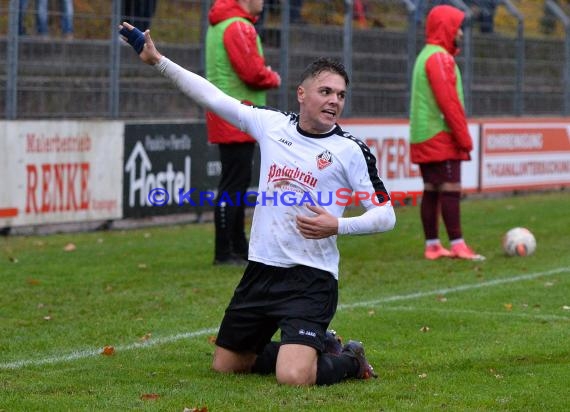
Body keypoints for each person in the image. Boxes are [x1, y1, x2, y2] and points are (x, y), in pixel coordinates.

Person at [119, 21, 396, 386]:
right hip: (262, 270)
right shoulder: (270, 125)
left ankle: (349, 360)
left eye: (341, 95)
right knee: (227, 366)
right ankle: (313, 346)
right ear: (301, 93)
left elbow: (386, 214)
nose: (334, 101)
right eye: (325, 91)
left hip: (310, 278)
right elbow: (212, 96)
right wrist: (158, 61)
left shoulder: (351, 150)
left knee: (294, 378)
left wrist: (338, 225)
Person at [206, 0, 281, 266]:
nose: (263, 2)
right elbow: (252, 73)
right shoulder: (237, 26)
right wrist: (272, 77)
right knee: (233, 184)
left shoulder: (222, 25)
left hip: (231, 113)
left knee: (236, 182)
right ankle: (225, 251)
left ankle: (238, 246)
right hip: (236, 114)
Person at [409, 5, 485, 261]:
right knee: (451, 187)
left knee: (431, 188)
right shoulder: (440, 58)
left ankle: (432, 246)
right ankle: (458, 245)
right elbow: (449, 102)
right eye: (458, 27)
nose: (461, 33)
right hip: (440, 133)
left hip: (422, 134)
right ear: (447, 28)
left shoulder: (425, 55)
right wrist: (463, 138)